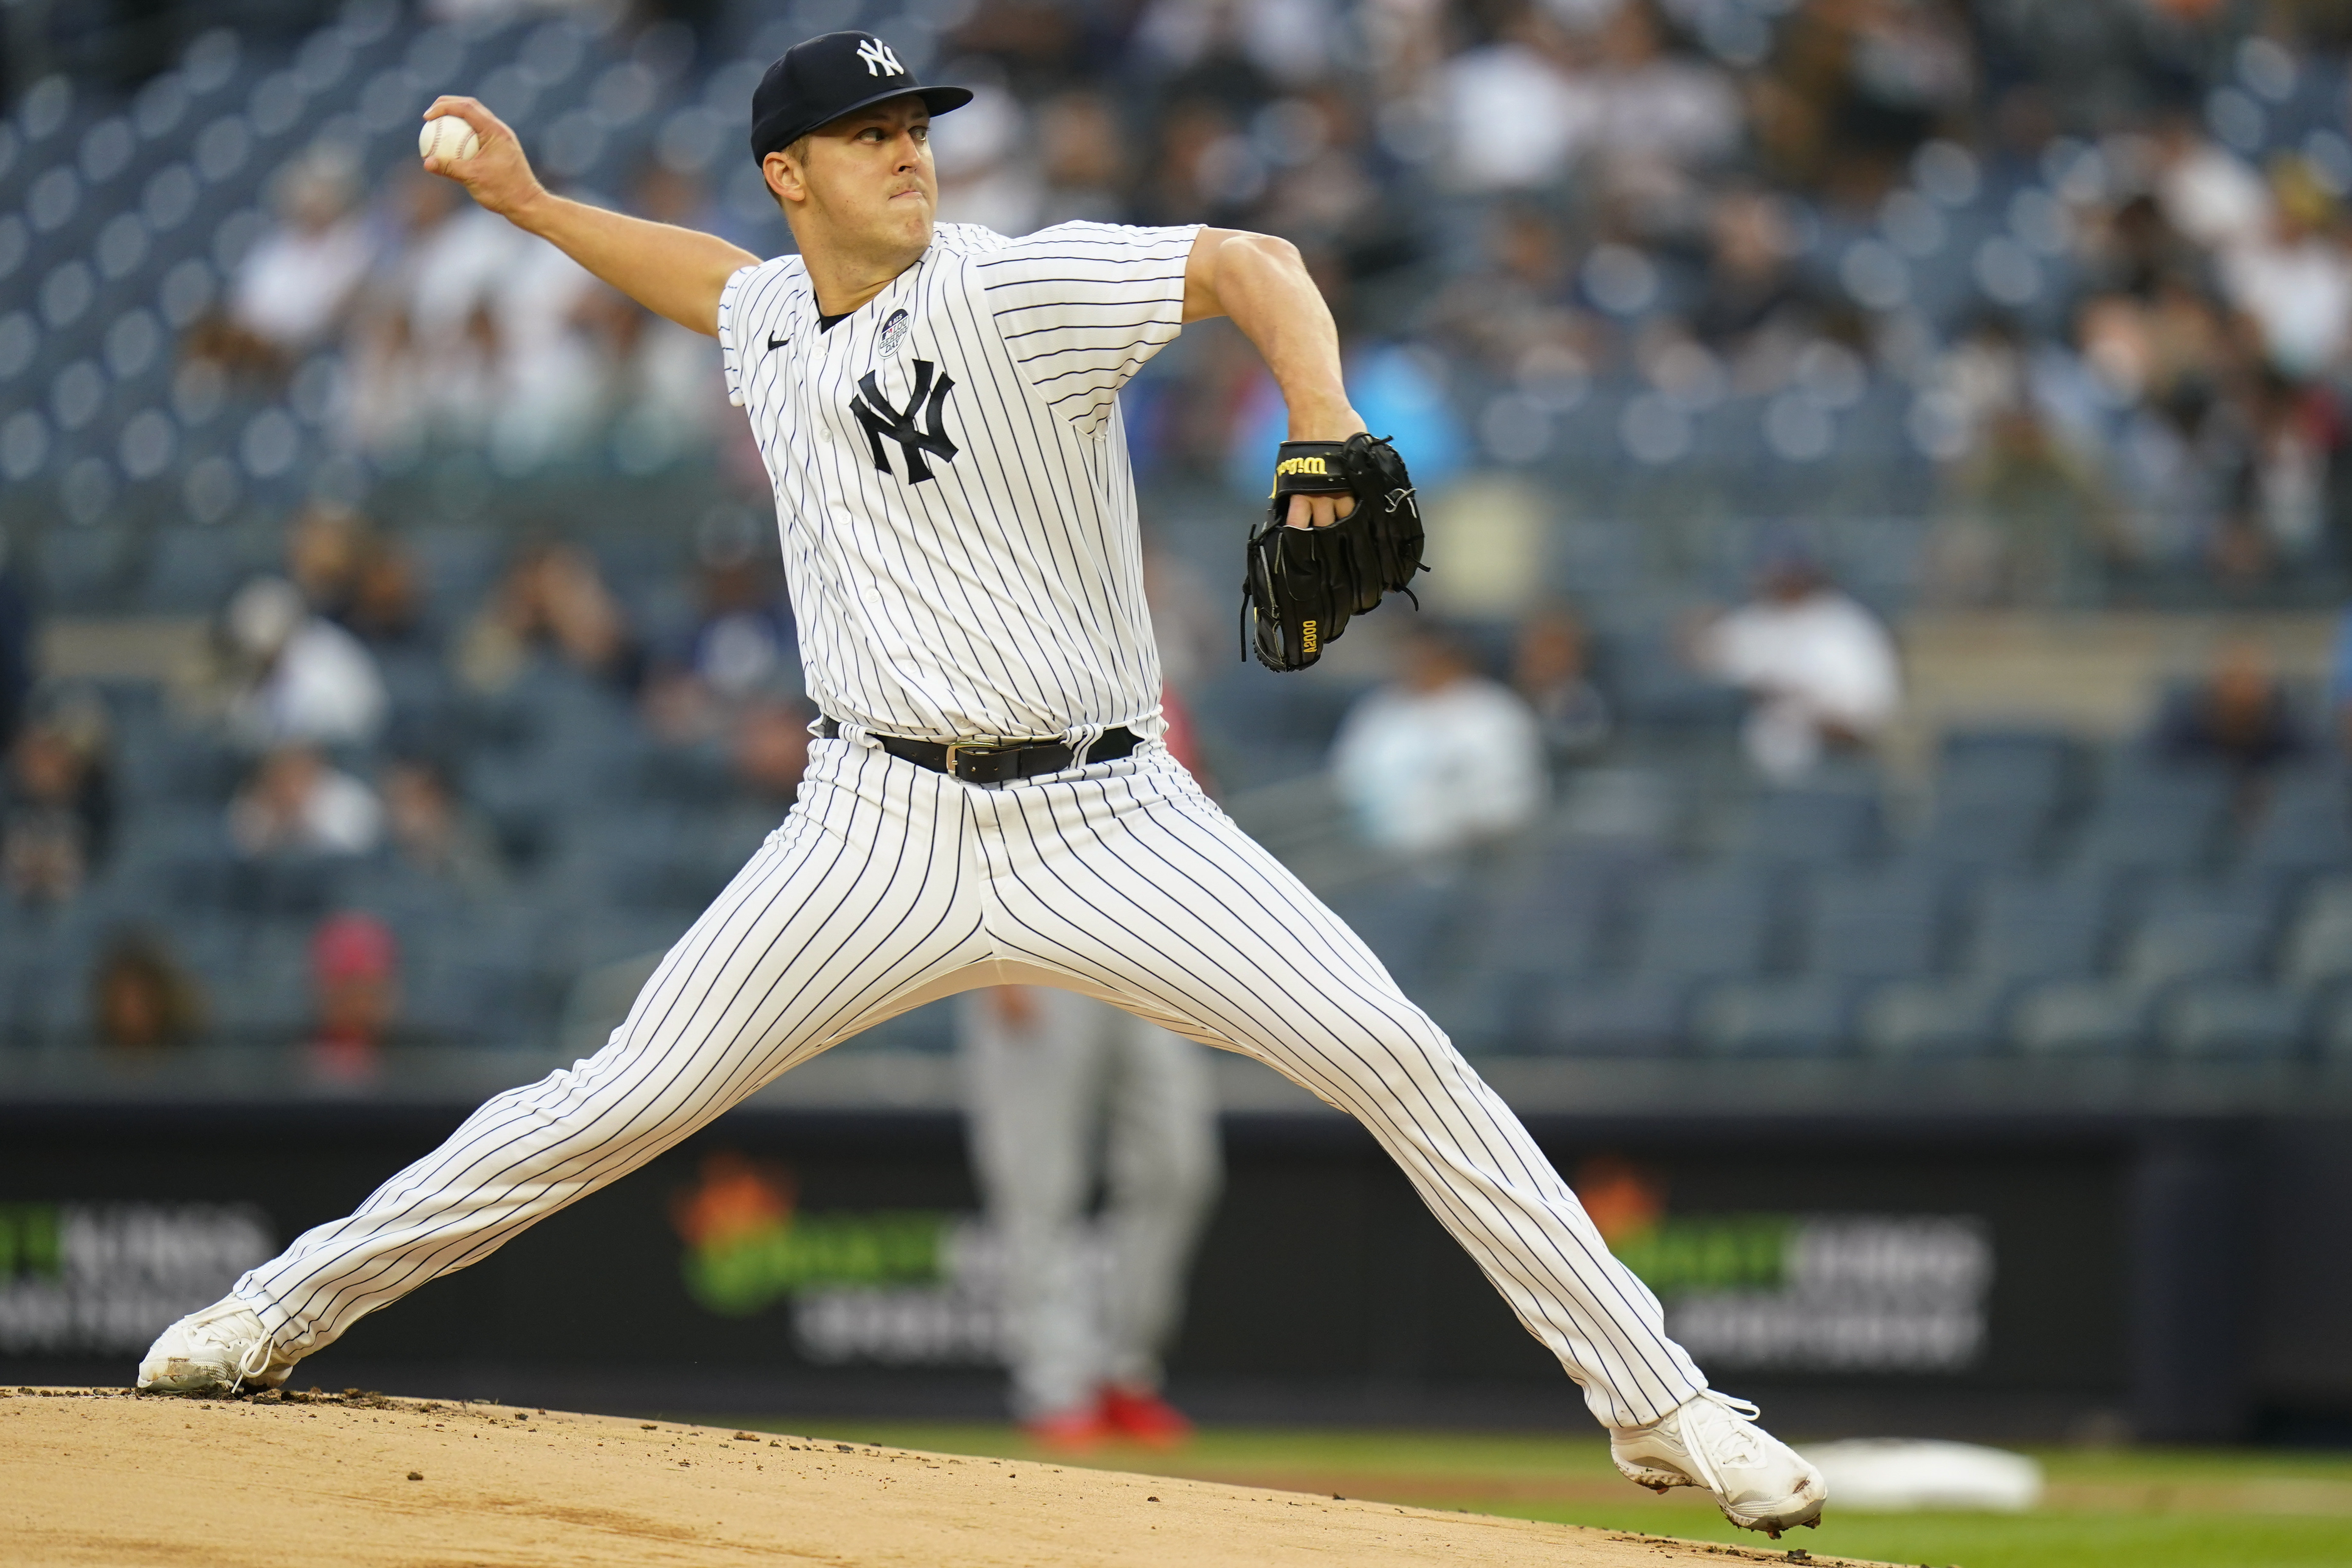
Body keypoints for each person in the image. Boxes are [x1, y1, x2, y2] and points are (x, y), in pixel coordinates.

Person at [137, 32, 1825, 1539]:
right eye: (868, 132)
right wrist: (528, 204)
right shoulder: (772, 313)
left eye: (917, 121)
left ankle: (1666, 1410)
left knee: (1396, 1052)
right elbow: (704, 280)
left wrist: (1321, 421)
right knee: (617, 1098)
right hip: (873, 823)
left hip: (1111, 812)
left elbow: (1252, 256)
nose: (909, 147)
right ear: (791, 176)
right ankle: (273, 1313)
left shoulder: (1016, 287)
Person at [959, 690, 1223, 1451]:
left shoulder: (1151, 676)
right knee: (1039, 1180)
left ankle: (1122, 1369)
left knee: (1179, 1164)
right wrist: (988, 958)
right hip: (1031, 940)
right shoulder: (1004, 665)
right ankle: (1057, 1385)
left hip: (1145, 949)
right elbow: (959, 811)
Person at [1330, 622, 1548, 860]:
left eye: (1429, 657)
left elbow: (1516, 798)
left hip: (1476, 859)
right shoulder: (1378, 710)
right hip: (1381, 861)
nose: (1417, 665)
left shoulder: (1496, 711)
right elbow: (1346, 781)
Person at [1690, 552, 1902, 782]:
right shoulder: (1753, 620)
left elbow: (1874, 716)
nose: (1781, 577)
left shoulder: (1847, 628)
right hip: (1742, 770)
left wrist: (1806, 709)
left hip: (1825, 769)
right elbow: (1696, 657)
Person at [90, 931, 206, 1051]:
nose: (132, 1011)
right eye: (123, 1001)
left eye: (141, 1001)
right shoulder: (83, 1060)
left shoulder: (192, 1059)